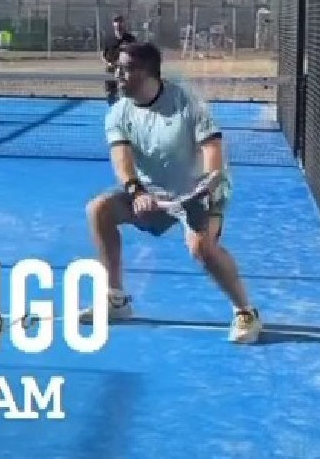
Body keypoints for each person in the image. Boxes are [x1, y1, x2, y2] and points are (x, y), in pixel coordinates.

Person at [82, 41, 262, 344]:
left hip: (201, 190)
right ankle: (116, 300)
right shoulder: (118, 113)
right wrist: (137, 192)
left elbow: (212, 148)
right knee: (98, 210)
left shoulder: (187, 103)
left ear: (147, 72)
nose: (118, 75)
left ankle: (246, 312)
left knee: (201, 248)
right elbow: (121, 158)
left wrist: (207, 186)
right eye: (117, 69)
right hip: (155, 193)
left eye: (125, 69)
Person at [101, 15, 136, 105]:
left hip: (125, 70)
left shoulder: (130, 39)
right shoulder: (108, 39)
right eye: (116, 21)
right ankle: (112, 106)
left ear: (124, 24)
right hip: (111, 69)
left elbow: (135, 54)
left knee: (126, 92)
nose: (118, 24)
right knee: (110, 93)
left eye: (120, 21)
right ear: (113, 24)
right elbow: (103, 55)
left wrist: (125, 65)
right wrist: (108, 63)